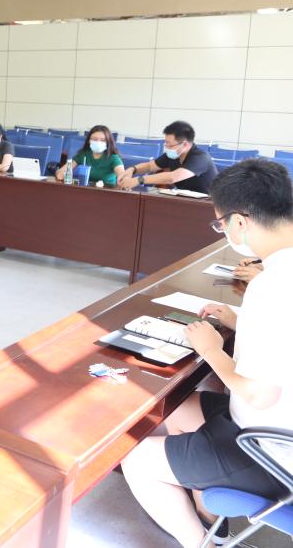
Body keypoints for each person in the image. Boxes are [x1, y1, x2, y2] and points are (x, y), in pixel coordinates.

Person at [121, 159, 293, 548]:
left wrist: (212, 349)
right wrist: (239, 321)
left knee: (137, 460)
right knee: (177, 408)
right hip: (276, 425)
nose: (224, 231)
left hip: (273, 450)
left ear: (240, 222)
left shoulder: (274, 285)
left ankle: (201, 542)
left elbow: (260, 394)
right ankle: (212, 516)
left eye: (221, 223)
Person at [119, 121, 218, 192]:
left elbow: (173, 177)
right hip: (184, 199)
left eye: (170, 145)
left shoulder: (201, 157)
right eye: (165, 143)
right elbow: (150, 166)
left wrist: (139, 180)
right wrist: (133, 169)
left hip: (208, 204)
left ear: (185, 144)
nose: (166, 148)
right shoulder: (173, 155)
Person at [54, 125, 124, 186]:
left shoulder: (113, 158)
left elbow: (122, 177)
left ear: (108, 142)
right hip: (85, 191)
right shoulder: (83, 154)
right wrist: (61, 174)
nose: (98, 142)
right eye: (95, 139)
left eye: (103, 140)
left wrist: (123, 180)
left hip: (106, 192)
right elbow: (60, 171)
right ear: (89, 140)